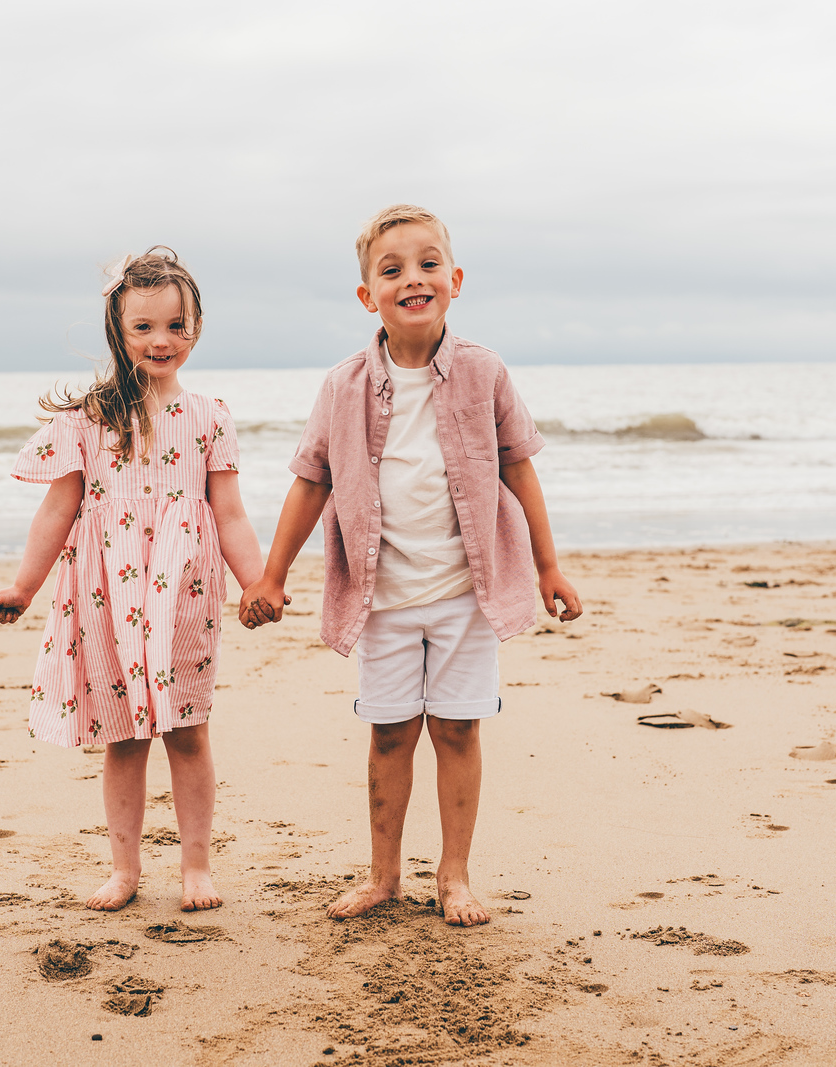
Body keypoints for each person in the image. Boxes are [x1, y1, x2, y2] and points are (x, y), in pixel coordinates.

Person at [239, 205, 583, 927]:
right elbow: (311, 480)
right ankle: (383, 876)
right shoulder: (343, 385)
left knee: (457, 729)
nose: (413, 279)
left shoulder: (485, 371)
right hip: (383, 597)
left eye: (428, 264)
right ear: (368, 296)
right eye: (392, 270)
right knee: (390, 732)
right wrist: (272, 576)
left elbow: (520, 469)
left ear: (455, 280)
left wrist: (549, 568)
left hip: (466, 593)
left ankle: (454, 876)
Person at [0, 247, 265, 913]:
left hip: (184, 592)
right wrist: (24, 587)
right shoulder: (90, 419)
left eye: (175, 325)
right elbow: (58, 509)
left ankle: (196, 867)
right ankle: (124, 868)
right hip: (106, 590)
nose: (160, 340)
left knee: (188, 730)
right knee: (125, 736)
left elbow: (229, 512)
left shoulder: (210, 416)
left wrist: (258, 582)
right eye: (143, 326)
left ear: (196, 328)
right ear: (119, 329)